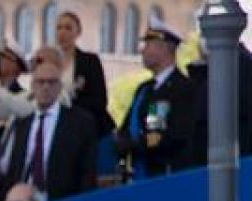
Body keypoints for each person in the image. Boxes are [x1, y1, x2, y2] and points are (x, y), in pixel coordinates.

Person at [0, 54, 98, 201]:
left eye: (52, 82)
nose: (45, 87)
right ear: (32, 86)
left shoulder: (80, 123)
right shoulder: (22, 122)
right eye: (40, 82)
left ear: (60, 87)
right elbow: (13, 170)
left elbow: (87, 172)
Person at [119, 26, 198, 178]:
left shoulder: (181, 88)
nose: (142, 51)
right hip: (138, 172)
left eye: (148, 45)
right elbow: (127, 126)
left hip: (164, 173)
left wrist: (137, 144)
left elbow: (169, 135)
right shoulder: (145, 89)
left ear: (165, 49)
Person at [55, 11, 110, 139]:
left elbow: (100, 100)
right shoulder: (48, 61)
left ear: (78, 32)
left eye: (68, 28)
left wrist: (68, 103)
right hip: (57, 129)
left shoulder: (89, 61)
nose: (62, 32)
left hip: (85, 128)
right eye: (59, 28)